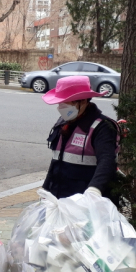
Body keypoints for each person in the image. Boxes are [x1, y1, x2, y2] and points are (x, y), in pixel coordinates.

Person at [41, 75, 120, 205]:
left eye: (66, 103)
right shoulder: (63, 123)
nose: (60, 107)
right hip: (60, 199)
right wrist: (46, 189)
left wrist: (95, 190)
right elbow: (56, 161)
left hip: (87, 203)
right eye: (60, 103)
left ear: (83, 101)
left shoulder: (102, 127)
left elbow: (107, 161)